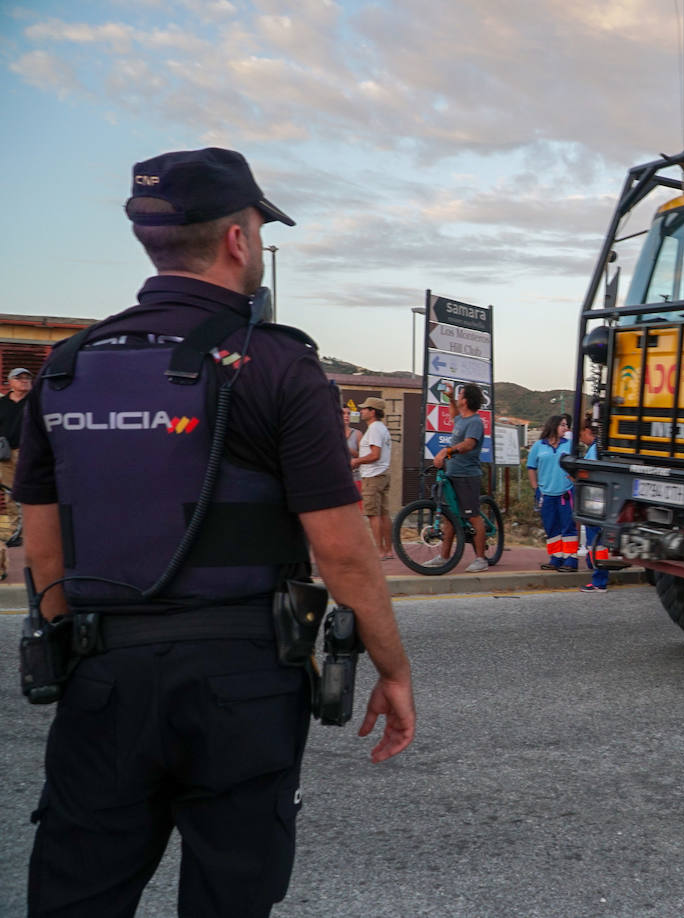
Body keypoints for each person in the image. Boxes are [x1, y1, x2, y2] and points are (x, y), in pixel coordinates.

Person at [19, 147, 415, 917]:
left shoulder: (66, 368)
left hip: (104, 676)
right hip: (242, 682)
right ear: (238, 239)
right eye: (260, 232)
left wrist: (81, 655)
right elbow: (341, 551)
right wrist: (392, 669)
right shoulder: (279, 365)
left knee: (75, 895)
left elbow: (43, 551)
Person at [427, 382, 489, 572]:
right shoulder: (462, 419)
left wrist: (447, 451)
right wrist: (451, 397)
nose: (458, 397)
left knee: (473, 516)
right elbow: (453, 414)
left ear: (467, 400)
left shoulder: (475, 422)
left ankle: (481, 559)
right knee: (450, 518)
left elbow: (469, 444)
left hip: (467, 475)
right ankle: (444, 557)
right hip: (452, 474)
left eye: (460, 394)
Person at [527, 414, 576, 571]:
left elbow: (576, 466)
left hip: (565, 493)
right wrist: (535, 488)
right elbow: (531, 467)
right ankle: (556, 558)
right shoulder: (538, 446)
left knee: (568, 526)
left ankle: (570, 560)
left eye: (566, 425)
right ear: (553, 426)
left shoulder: (570, 445)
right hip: (546, 494)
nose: (566, 428)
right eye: (563, 425)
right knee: (551, 527)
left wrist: (573, 480)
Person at [351, 396, 393, 559]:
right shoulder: (382, 428)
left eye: (364, 408)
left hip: (373, 476)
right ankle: (388, 550)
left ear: (373, 412)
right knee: (384, 514)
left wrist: (357, 461)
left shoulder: (374, 429)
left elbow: (375, 455)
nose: (361, 411)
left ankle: (379, 551)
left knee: (373, 514)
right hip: (382, 474)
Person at [0, 366, 32, 545]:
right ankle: (15, 533)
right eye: (19, 378)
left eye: (27, 378)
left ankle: (32, 532)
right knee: (10, 493)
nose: (24, 381)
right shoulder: (2, 403)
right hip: (6, 455)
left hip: (29, 453)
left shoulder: (35, 402)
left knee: (31, 491)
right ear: (10, 382)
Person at [578, 418, 609, 593]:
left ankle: (599, 581)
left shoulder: (596, 449)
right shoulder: (597, 448)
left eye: (581, 434)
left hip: (595, 501)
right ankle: (595, 570)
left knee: (596, 541)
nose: (581, 439)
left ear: (588, 431)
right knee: (595, 541)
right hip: (597, 501)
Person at [343, 406, 362, 498]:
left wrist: (348, 449)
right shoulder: (331, 433)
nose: (346, 416)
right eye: (343, 413)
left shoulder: (357, 434)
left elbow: (363, 457)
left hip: (354, 477)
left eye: (348, 413)